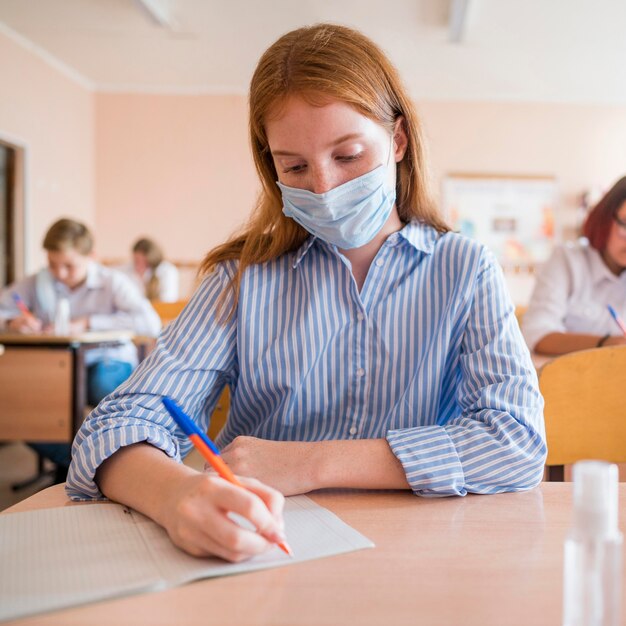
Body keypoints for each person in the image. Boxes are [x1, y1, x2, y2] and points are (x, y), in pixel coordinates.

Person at [67, 24, 546, 562]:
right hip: (262, 552)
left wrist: (311, 463)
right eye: (294, 166)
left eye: (348, 156)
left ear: (398, 139)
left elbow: (515, 443)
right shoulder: (242, 277)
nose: (323, 187)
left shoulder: (466, 268)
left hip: (417, 555)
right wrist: (178, 495)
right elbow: (115, 426)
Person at [0, 218, 161, 481]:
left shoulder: (113, 282)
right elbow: (4, 306)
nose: (60, 273)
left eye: (69, 266)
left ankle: (102, 460)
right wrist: (12, 320)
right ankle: (77, 463)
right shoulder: (38, 283)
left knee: (101, 385)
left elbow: (150, 322)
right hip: (57, 368)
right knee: (21, 405)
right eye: (52, 264)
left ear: (92, 256)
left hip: (108, 363)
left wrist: (88, 322)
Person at [523, 176, 626, 355]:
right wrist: (608, 343)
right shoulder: (567, 261)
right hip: (565, 379)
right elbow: (536, 334)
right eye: (625, 223)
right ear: (605, 218)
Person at [123, 237, 180, 302]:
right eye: (136, 261)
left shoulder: (168, 271)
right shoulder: (128, 270)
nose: (138, 266)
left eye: (143, 261)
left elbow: (168, 301)